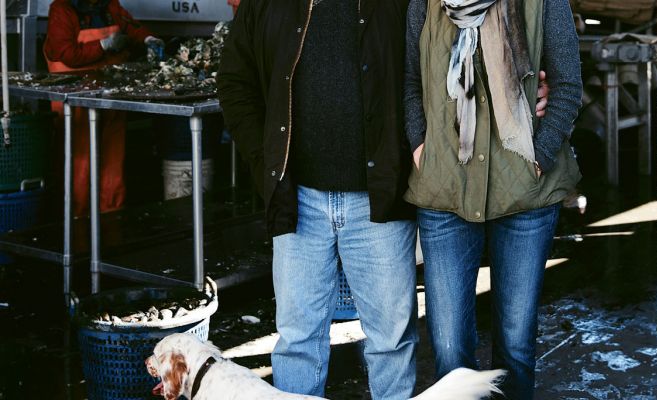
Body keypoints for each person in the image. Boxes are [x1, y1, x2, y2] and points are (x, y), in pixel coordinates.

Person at [218, 0, 549, 397]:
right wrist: (266, 161)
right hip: (298, 199)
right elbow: (234, 82)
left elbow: (451, 59)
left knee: (391, 343)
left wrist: (523, 87)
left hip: (379, 198)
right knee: (297, 342)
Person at [404, 0, 582, 398]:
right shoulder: (425, 4)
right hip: (444, 190)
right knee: (449, 348)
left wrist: (540, 155)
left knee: (516, 345)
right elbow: (410, 82)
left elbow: (568, 86)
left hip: (526, 195)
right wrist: (420, 147)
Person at [44, 0, 163, 216]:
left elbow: (131, 27)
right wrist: (103, 45)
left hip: (111, 93)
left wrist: (148, 38)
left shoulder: (110, 5)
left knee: (113, 161)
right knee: (79, 163)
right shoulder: (62, 9)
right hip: (76, 99)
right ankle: (76, 219)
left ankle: (112, 217)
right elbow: (65, 53)